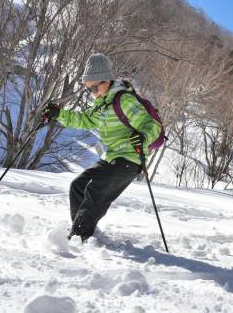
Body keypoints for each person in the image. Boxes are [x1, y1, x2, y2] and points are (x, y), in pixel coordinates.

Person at [41, 53, 161, 242]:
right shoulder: (102, 104)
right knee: (78, 186)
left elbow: (152, 125)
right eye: (88, 89)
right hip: (113, 157)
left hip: (130, 158)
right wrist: (58, 114)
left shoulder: (124, 100)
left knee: (95, 191)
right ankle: (82, 233)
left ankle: (79, 237)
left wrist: (143, 136)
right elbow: (85, 120)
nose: (92, 93)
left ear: (107, 80)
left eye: (95, 87)